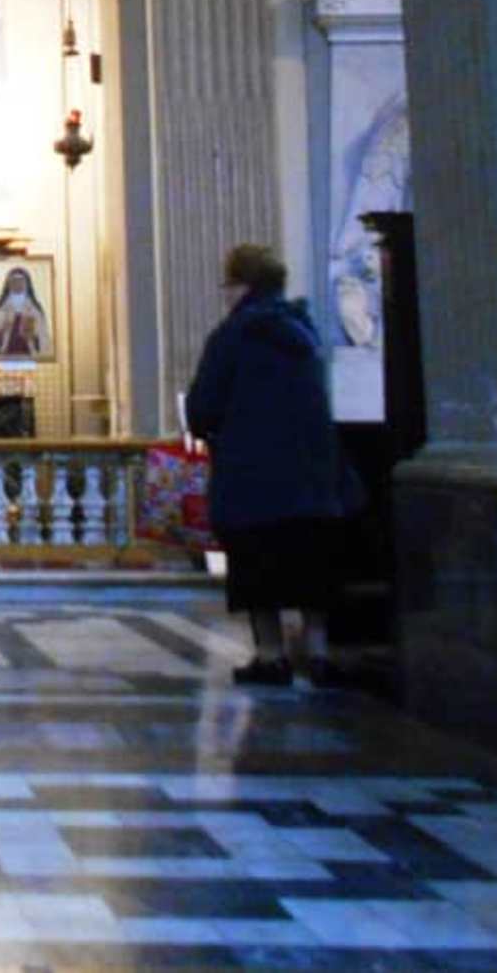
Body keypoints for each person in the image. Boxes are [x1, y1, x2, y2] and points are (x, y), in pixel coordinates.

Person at [185, 243, 355, 687]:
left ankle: (271, 654)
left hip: (252, 476)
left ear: (242, 286)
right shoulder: (306, 333)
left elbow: (203, 408)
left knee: (256, 563)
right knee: (311, 565)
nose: (226, 294)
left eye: (228, 284)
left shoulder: (232, 337)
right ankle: (318, 651)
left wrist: (212, 426)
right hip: (313, 476)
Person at [0, 267, 51, 359]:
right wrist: (2, 326)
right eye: (14, 281)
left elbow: (43, 335)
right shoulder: (0, 307)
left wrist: (32, 332)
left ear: (27, 284)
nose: (17, 284)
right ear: (8, 284)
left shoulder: (35, 308)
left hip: (29, 353)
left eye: (21, 280)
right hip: (6, 352)